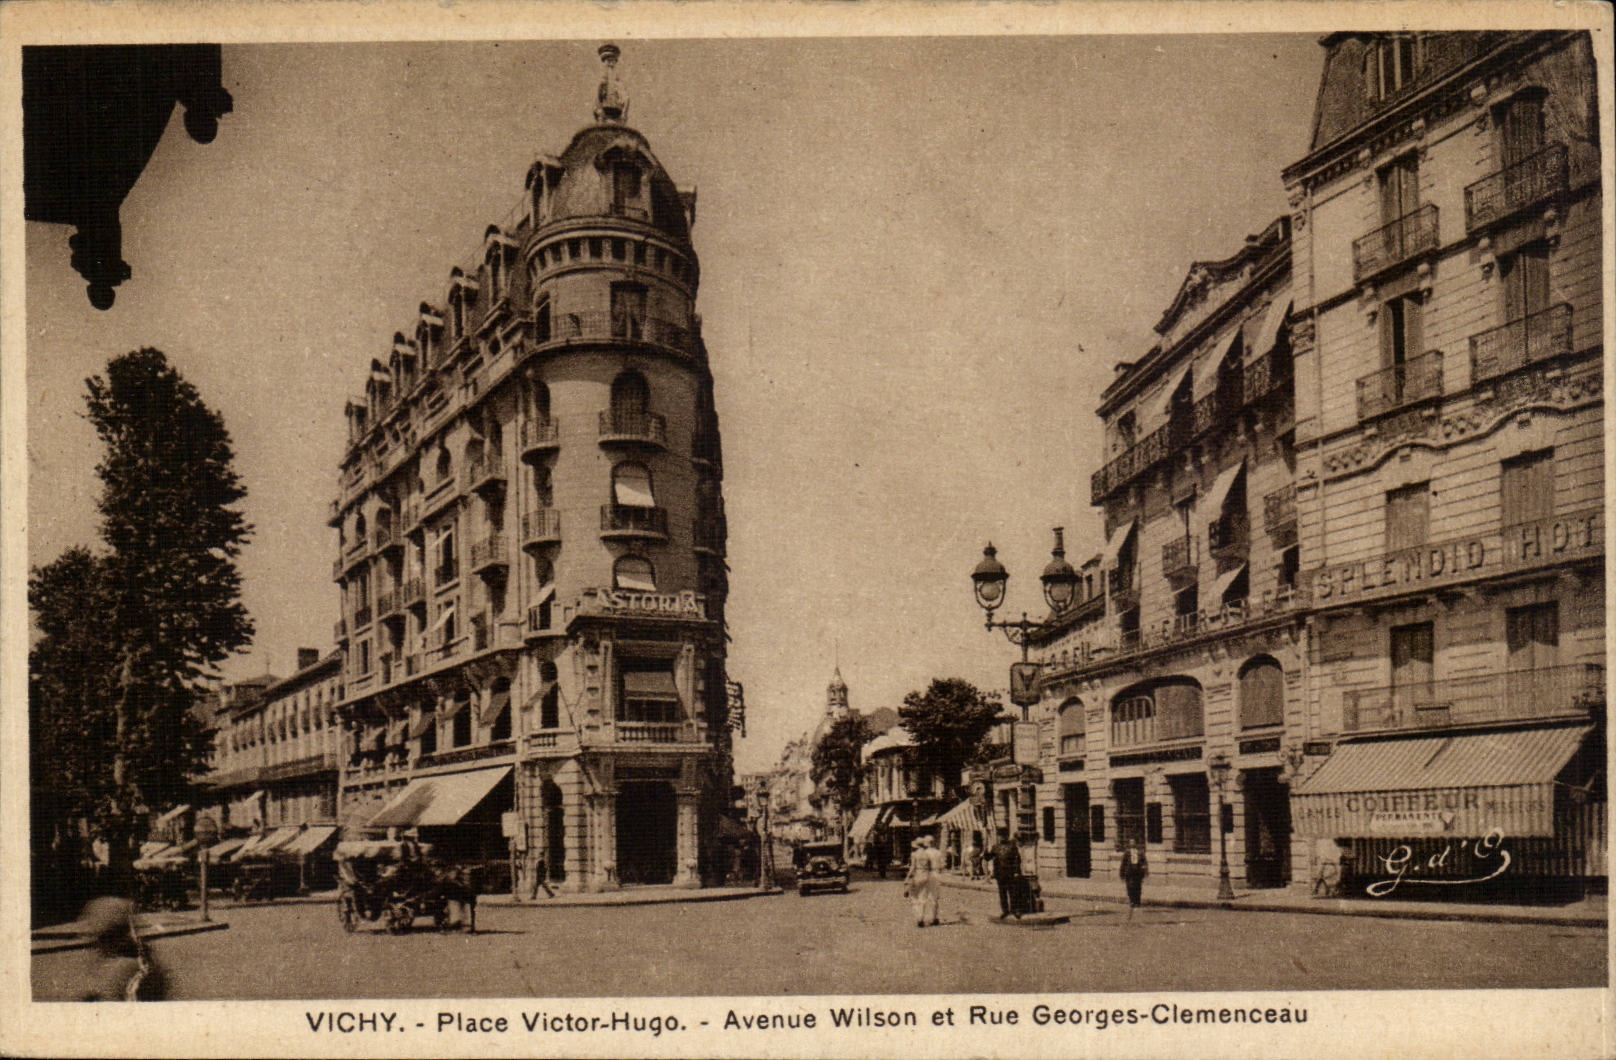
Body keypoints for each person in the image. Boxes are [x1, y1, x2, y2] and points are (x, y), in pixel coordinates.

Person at [905, 836, 943, 927]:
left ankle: (920, 918)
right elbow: (941, 865)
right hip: (935, 874)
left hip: (924, 874)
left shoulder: (924, 853)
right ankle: (934, 918)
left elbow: (916, 866)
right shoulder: (938, 852)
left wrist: (907, 878)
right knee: (934, 897)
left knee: (921, 897)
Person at [986, 831, 1023, 919]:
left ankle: (1015, 910)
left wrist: (1017, 872)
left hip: (1010, 873)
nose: (1002, 838)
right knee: (1002, 894)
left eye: (1004, 835)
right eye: (1000, 835)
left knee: (1013, 893)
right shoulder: (995, 847)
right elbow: (988, 858)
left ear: (1006, 836)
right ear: (998, 836)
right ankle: (1005, 911)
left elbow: (1017, 860)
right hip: (1000, 874)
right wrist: (986, 851)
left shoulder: (1012, 847)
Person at [1119, 838, 1148, 920]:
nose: (1132, 844)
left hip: (1137, 873)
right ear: (1129, 844)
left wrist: (1145, 870)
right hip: (1129, 873)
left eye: (1133, 842)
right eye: (1130, 842)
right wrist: (1122, 874)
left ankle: (1137, 901)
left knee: (1137, 887)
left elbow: (1144, 862)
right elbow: (1123, 863)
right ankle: (1132, 900)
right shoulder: (1127, 853)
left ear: (1136, 843)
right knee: (1129, 887)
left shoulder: (1140, 852)